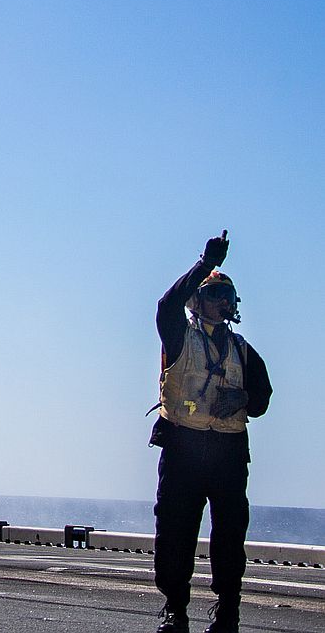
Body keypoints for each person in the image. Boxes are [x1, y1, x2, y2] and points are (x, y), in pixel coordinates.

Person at [151, 232, 273, 633]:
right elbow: (165, 305)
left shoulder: (243, 351)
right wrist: (204, 263)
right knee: (174, 531)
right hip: (184, 447)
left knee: (229, 535)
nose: (223, 302)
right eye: (215, 294)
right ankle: (175, 610)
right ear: (197, 301)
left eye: (228, 296)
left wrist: (240, 397)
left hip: (227, 452)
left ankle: (228, 611)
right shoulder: (179, 336)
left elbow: (262, 398)